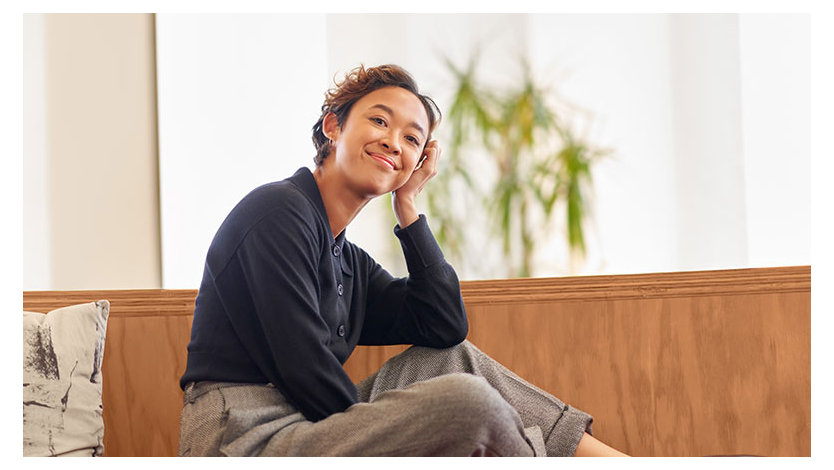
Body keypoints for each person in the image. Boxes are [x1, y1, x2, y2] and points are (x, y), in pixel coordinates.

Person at [177, 64, 628, 457]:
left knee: (452, 362)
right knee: (468, 404)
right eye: (379, 120)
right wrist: (393, 432)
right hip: (239, 437)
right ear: (333, 127)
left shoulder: (347, 261)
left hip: (304, 423)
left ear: (417, 163)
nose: (394, 142)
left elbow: (444, 327)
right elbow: (302, 364)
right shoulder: (278, 212)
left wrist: (408, 208)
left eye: (412, 139)